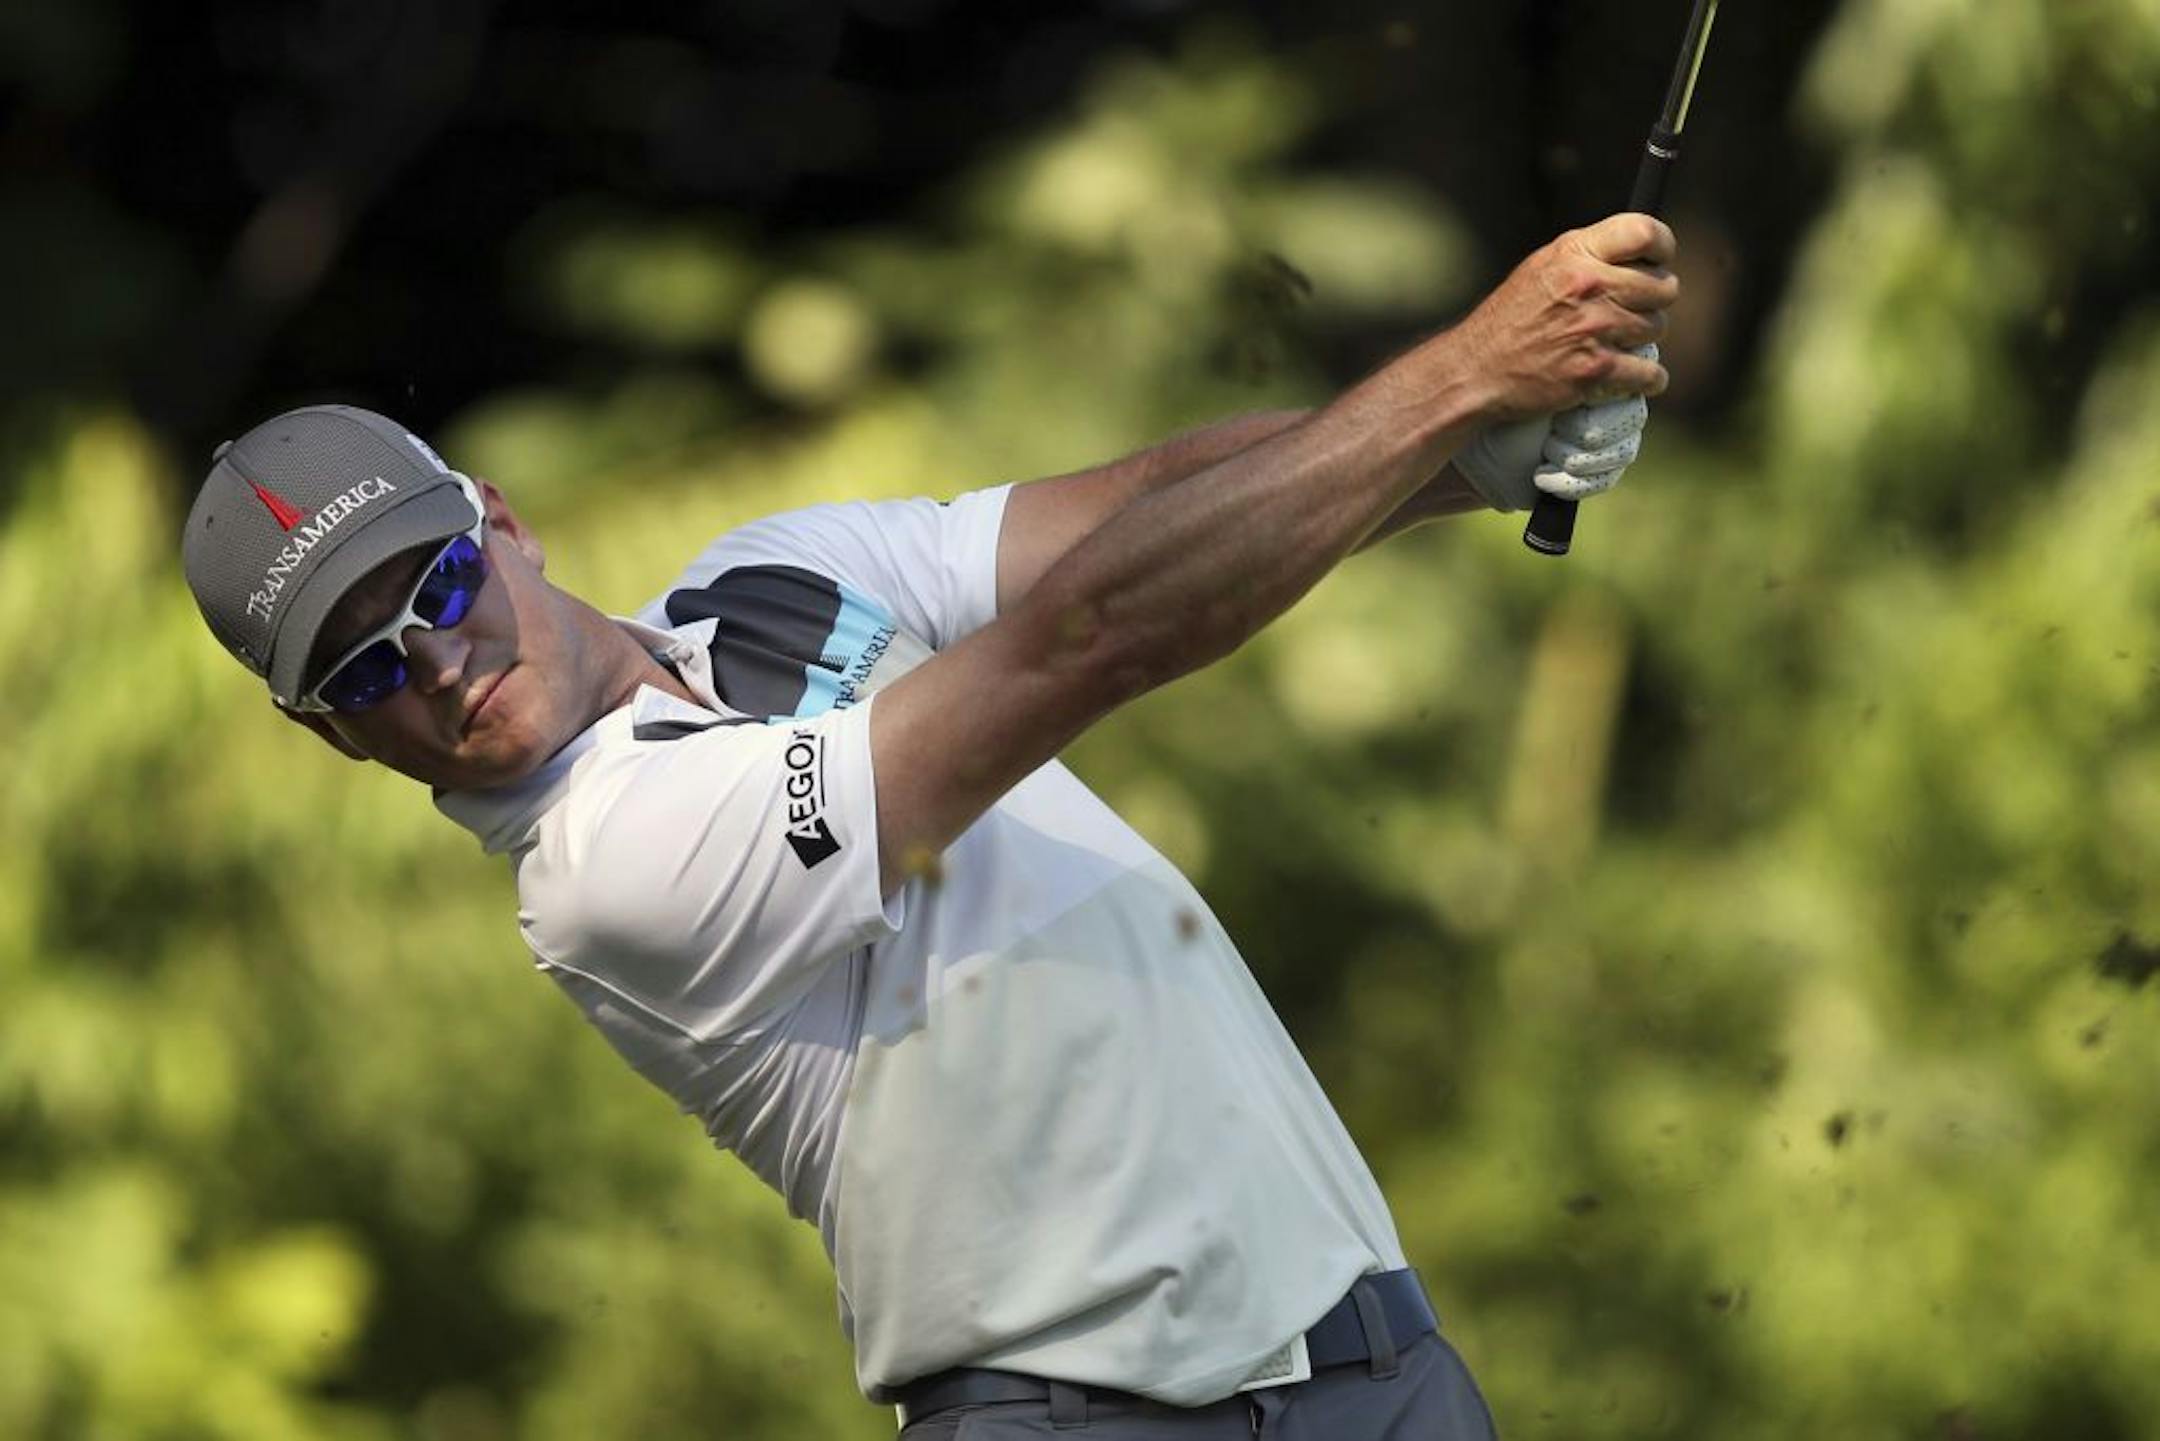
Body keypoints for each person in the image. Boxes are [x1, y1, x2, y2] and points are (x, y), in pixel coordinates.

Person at [181, 212, 1677, 1439]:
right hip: (1075, 1417)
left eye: (435, 587)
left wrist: (1460, 463)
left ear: (499, 518)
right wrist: (1459, 379)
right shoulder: (604, 868)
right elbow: (1087, 640)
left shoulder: (764, 574)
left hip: (1371, 1367)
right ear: (325, 728)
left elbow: (1141, 504)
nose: (438, 663)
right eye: (367, 667)